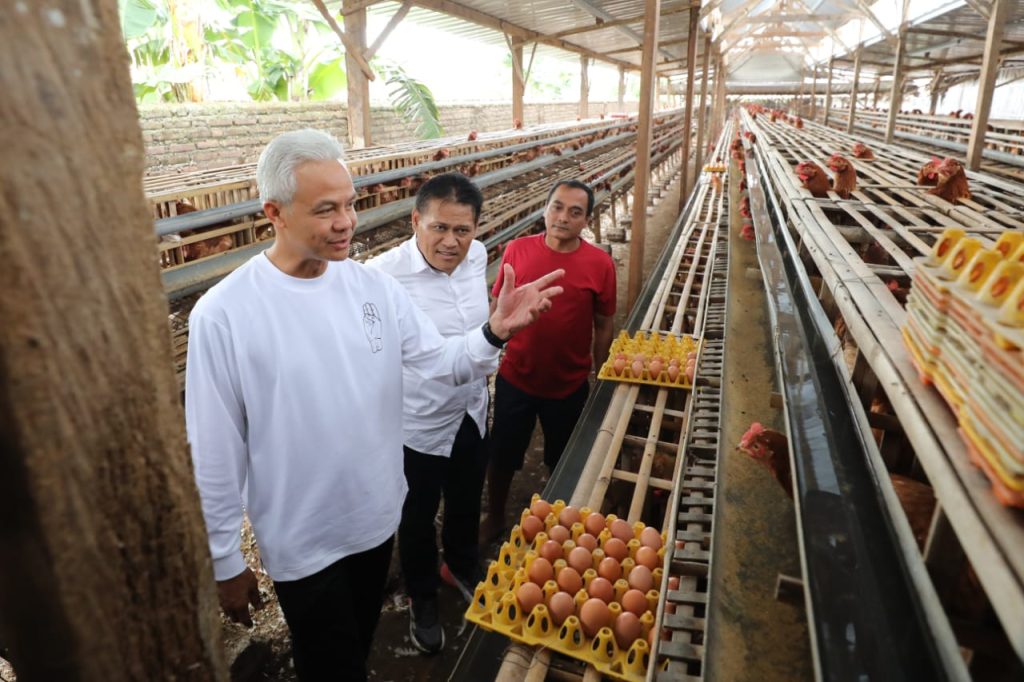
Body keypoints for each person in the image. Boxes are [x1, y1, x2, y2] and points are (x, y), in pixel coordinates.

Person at [184, 129, 563, 681]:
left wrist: (493, 331)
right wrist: (224, 558)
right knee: (330, 663)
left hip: (374, 519)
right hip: (302, 538)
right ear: (275, 212)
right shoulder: (225, 314)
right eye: (325, 209)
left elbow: (438, 360)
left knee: (355, 647)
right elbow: (215, 449)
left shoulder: (372, 290)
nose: (346, 222)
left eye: (350, 204)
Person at [366, 173, 489, 654]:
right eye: (439, 228)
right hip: (415, 424)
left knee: (464, 498)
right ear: (415, 220)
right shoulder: (381, 277)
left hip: (472, 409)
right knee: (415, 516)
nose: (451, 242)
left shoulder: (476, 258)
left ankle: (459, 565)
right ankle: (422, 597)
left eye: (463, 230)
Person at [481, 179, 616, 542]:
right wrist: (490, 353)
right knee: (503, 453)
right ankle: (495, 516)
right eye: (557, 207)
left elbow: (604, 324)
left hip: (568, 382)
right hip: (516, 376)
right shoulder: (517, 250)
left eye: (575, 212)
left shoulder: (600, 263)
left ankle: (557, 524)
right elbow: (498, 307)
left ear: (587, 219)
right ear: (545, 209)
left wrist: (600, 373)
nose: (563, 217)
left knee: (565, 458)